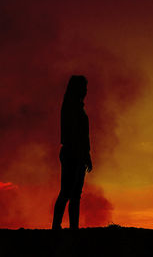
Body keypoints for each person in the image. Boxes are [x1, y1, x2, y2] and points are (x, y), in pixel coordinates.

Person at [52, 75, 92, 230]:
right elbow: (76, 135)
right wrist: (83, 154)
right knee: (68, 191)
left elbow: (83, 135)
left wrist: (86, 155)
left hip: (77, 154)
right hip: (72, 153)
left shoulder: (76, 107)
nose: (86, 90)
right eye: (83, 87)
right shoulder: (71, 108)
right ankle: (57, 226)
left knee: (74, 194)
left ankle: (72, 227)